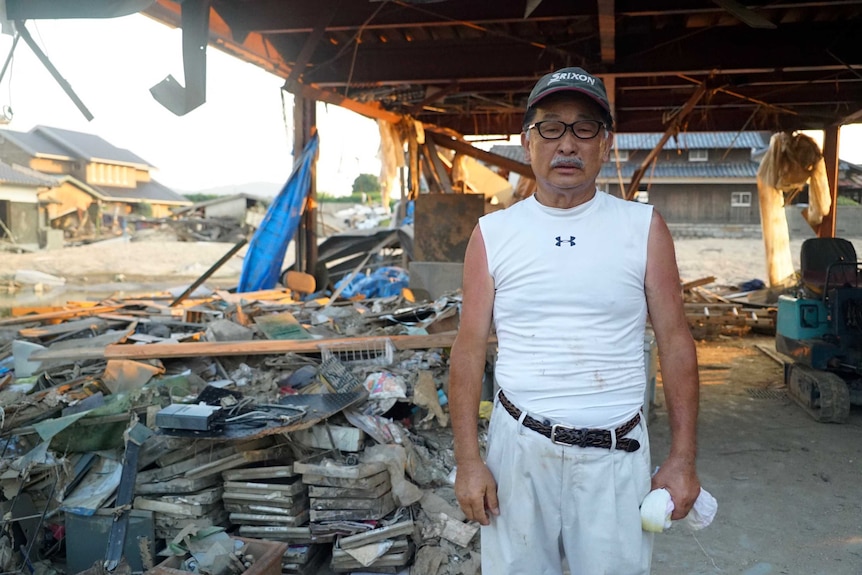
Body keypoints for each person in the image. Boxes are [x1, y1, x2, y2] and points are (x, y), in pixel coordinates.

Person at [449, 66, 701, 575]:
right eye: (551, 127)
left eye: (584, 128)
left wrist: (682, 458)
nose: (567, 143)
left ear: (605, 144)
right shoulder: (492, 235)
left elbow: (676, 343)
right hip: (519, 453)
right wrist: (469, 462)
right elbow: (469, 347)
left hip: (615, 454)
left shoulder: (643, 229)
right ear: (526, 142)